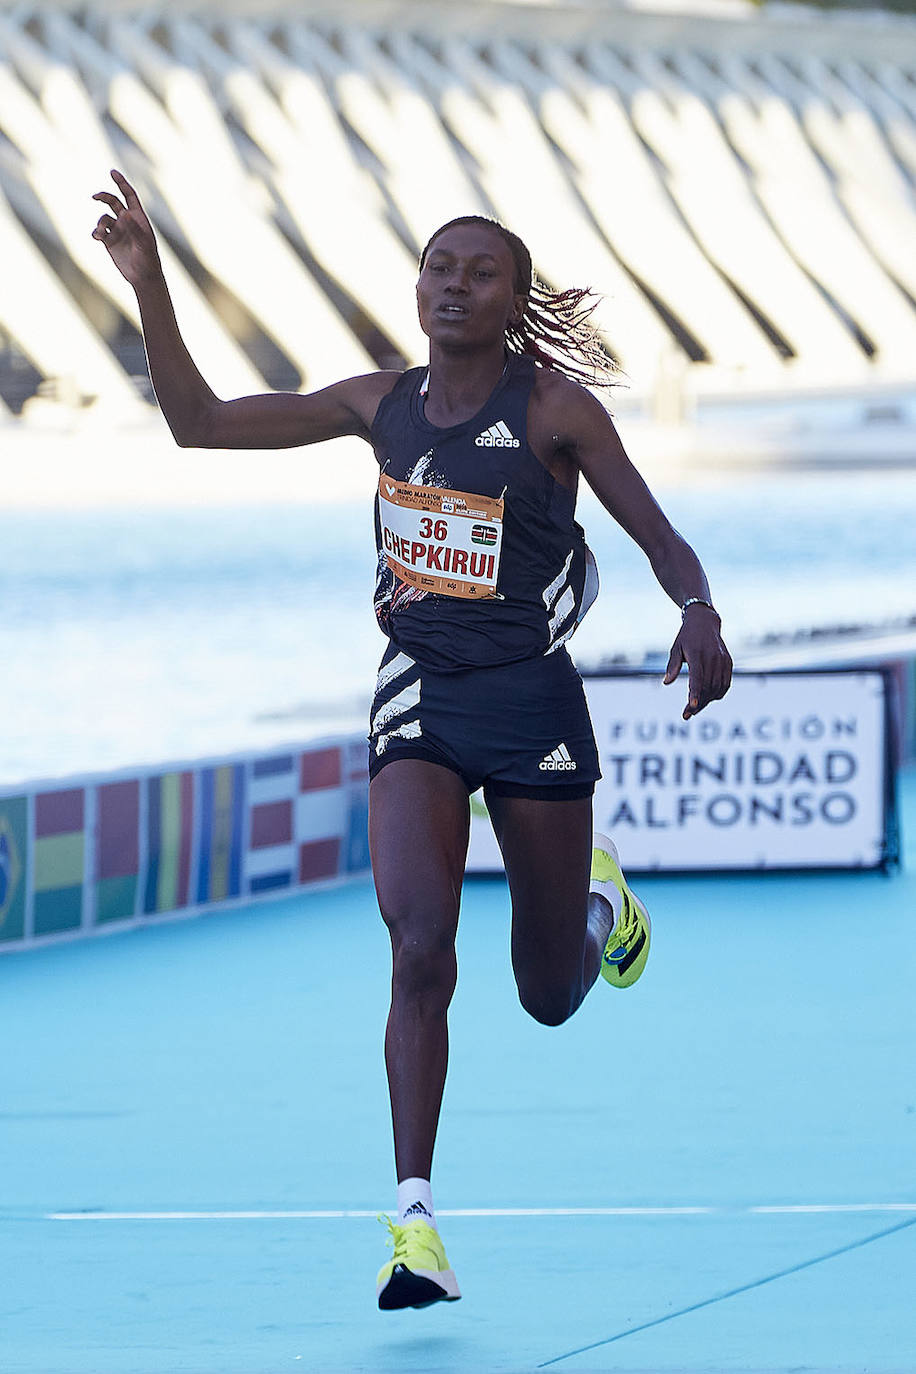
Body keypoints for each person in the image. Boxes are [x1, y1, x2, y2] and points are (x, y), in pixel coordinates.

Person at [92, 170, 732, 1311]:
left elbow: (661, 542)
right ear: (418, 283)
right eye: (439, 265)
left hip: (531, 706)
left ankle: (600, 905)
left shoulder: (556, 412)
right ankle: (415, 1225)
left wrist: (697, 611)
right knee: (418, 947)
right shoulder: (374, 402)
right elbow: (197, 425)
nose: (453, 284)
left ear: (511, 299)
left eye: (479, 273)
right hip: (418, 699)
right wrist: (152, 285)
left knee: (545, 993)